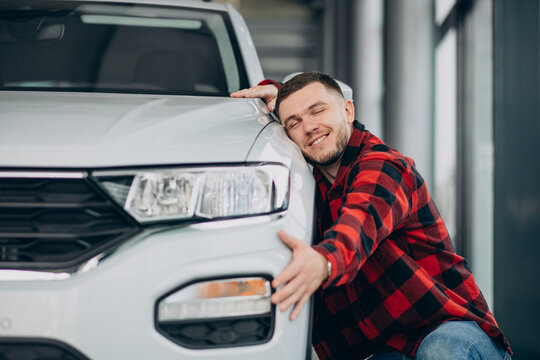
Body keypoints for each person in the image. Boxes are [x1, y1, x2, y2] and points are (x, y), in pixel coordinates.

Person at [231, 72, 511, 360]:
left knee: (440, 350)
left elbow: (360, 221)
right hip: (389, 349)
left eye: (318, 110)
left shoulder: (383, 166)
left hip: (448, 333)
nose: (310, 127)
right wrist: (276, 97)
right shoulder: (310, 185)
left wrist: (324, 260)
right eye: (295, 122)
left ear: (348, 111)